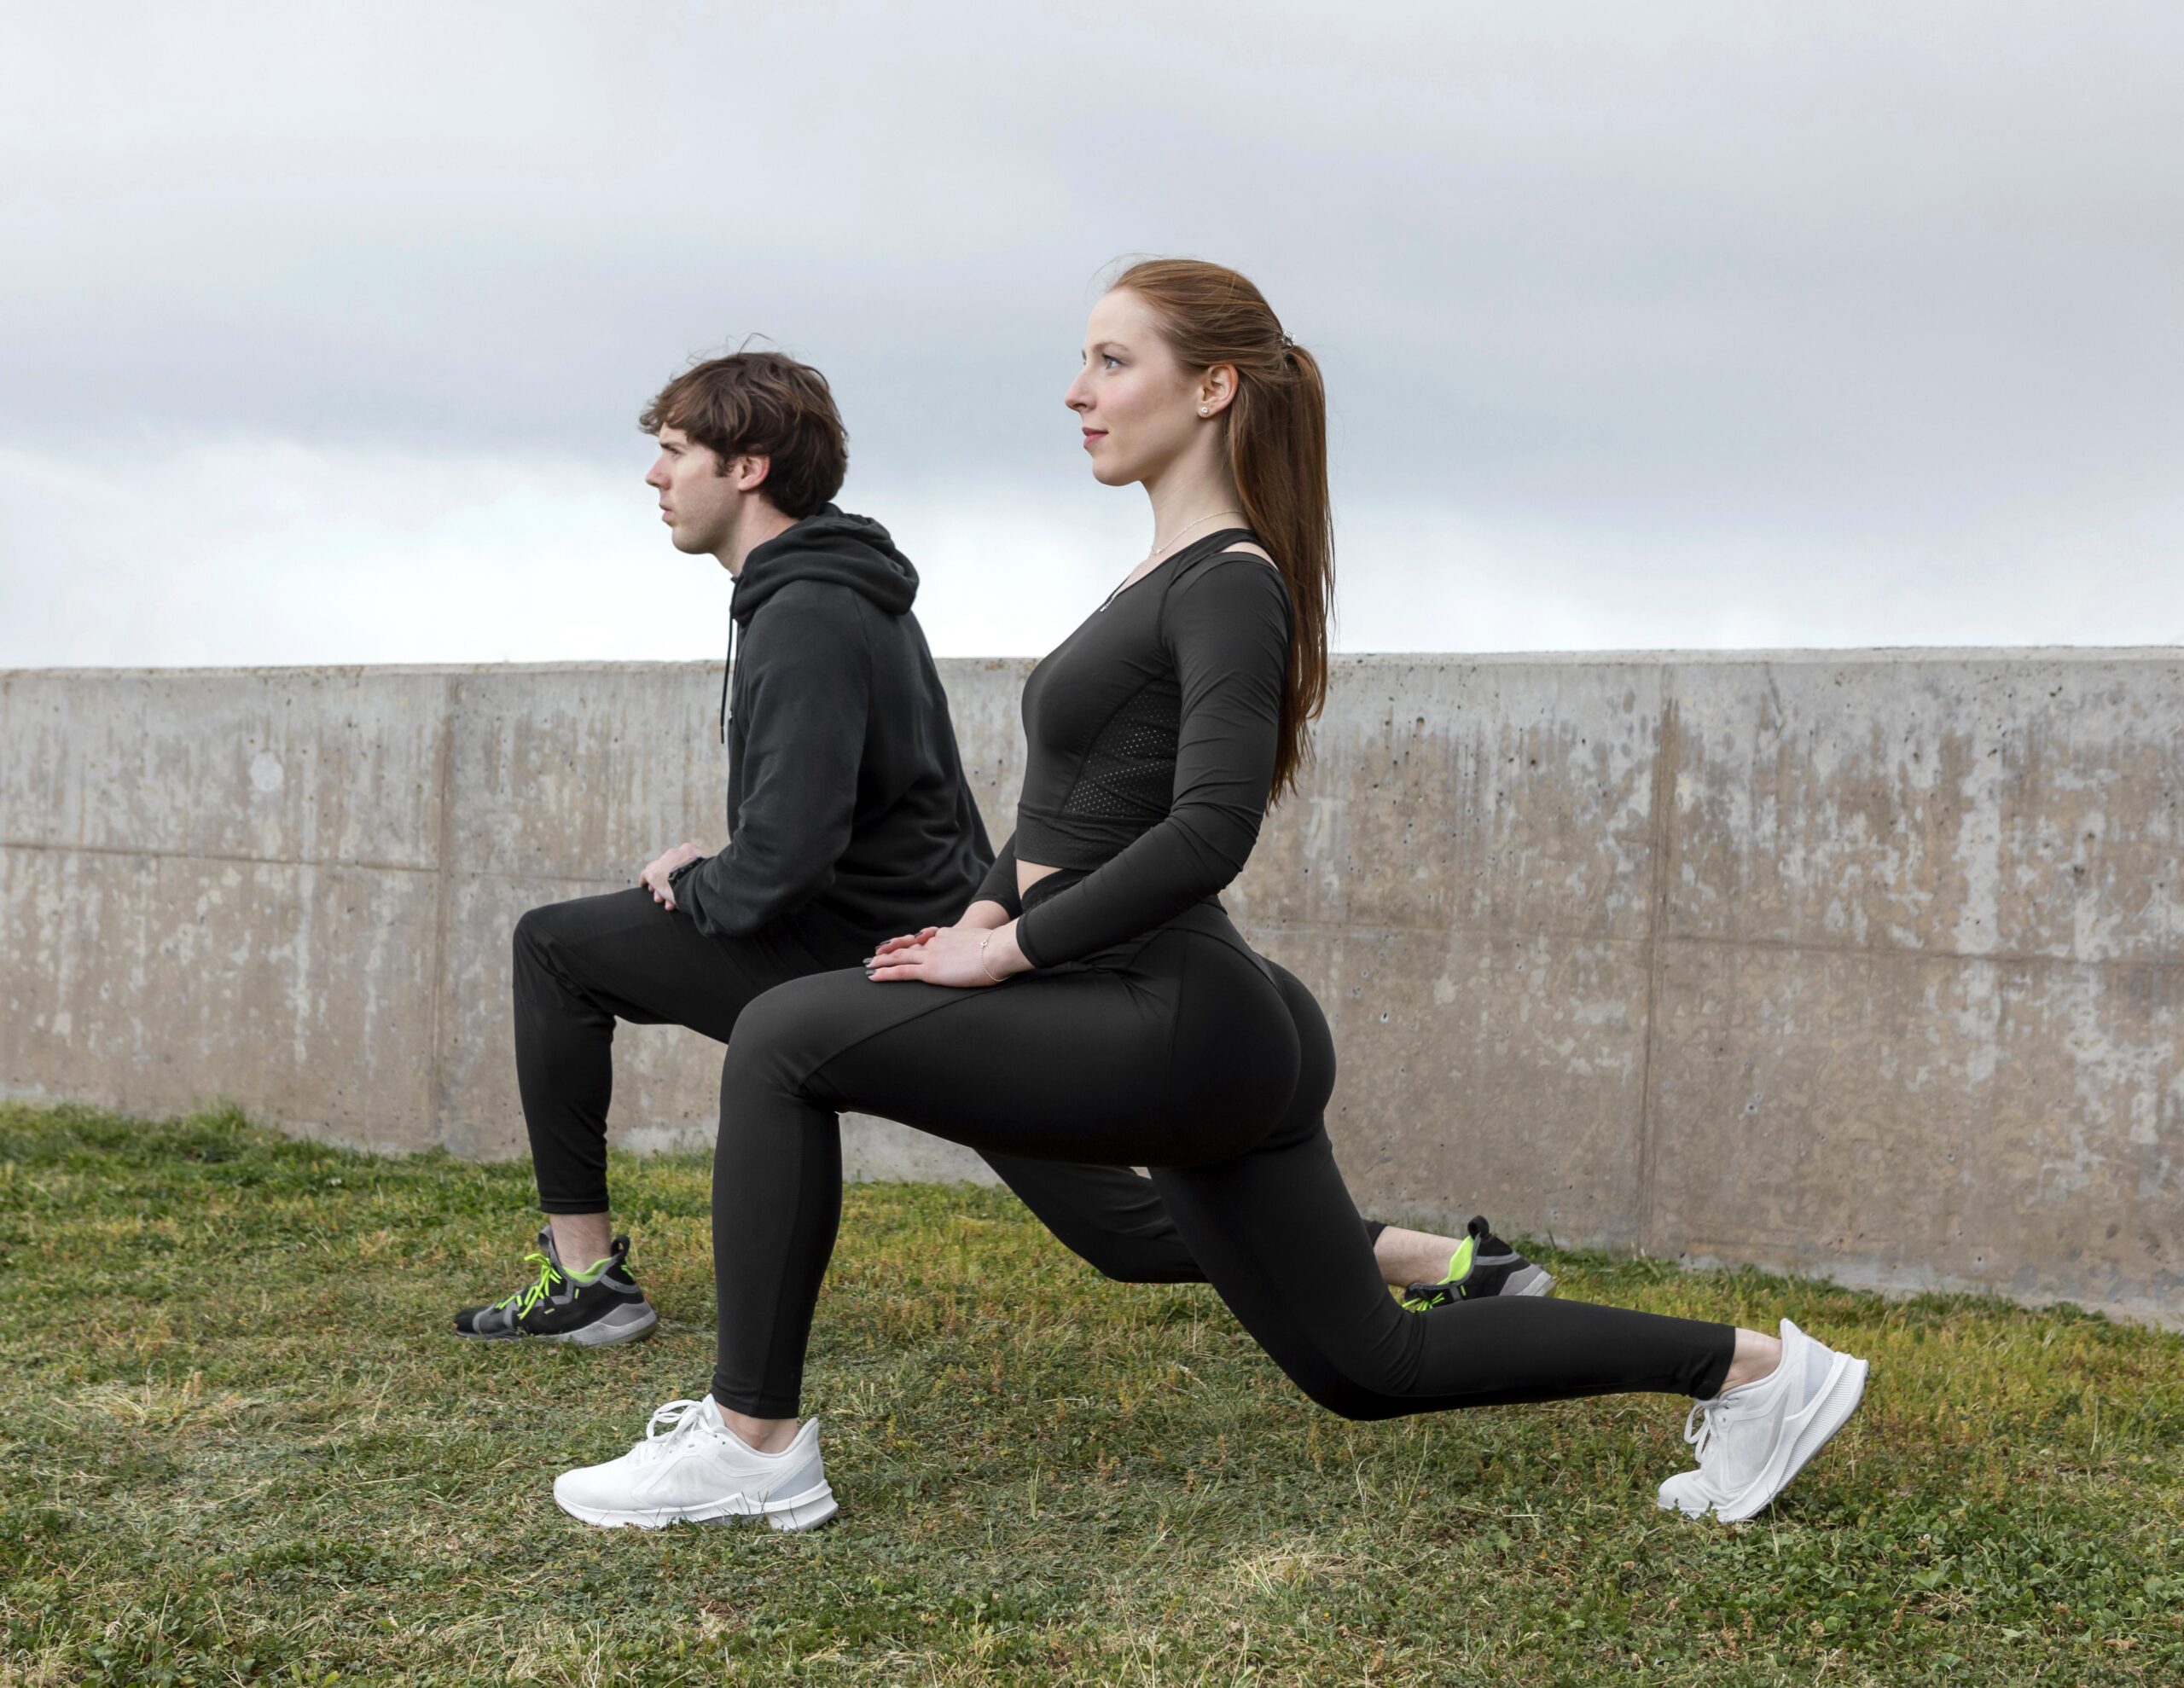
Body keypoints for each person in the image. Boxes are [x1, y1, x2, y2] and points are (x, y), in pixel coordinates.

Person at [549, 262, 1870, 1534]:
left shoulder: (1233, 581)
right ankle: (1758, 1371)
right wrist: (984, 912)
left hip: (1177, 1004)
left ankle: (755, 1445)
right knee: (1366, 1366)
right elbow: (1068, 811)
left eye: (1113, 360)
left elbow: (1211, 828)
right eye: (1083, 360)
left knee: (786, 1036)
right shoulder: (1159, 574)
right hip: (1206, 1022)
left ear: (1215, 389)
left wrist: (1012, 955)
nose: (1079, 389)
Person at [451, 349, 1548, 1350]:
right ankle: (1448, 1261)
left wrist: (700, 882)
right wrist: (728, 868)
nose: (654, 476)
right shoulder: (824, 595)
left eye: (674, 450)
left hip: (890, 953)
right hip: (923, 930)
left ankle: (595, 1284)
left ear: (748, 466)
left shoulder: (808, 613)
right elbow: (827, 818)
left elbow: (788, 858)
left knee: (560, 950)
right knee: (1116, 1232)